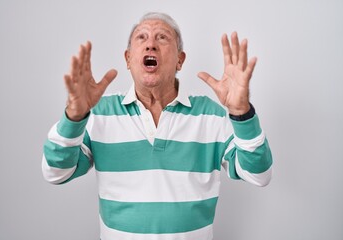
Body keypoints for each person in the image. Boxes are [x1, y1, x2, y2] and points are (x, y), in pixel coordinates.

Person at [42, 12, 273, 240]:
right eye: (141, 38)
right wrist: (74, 117)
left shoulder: (210, 115)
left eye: (162, 37)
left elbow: (259, 175)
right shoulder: (100, 113)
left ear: (180, 60)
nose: (150, 44)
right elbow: (56, 172)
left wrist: (241, 112)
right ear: (128, 59)